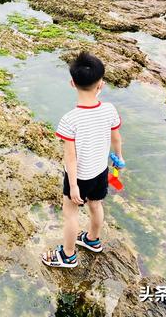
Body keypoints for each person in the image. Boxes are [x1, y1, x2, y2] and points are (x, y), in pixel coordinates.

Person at [41, 52, 123, 269]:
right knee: (96, 205)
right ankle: (93, 240)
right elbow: (116, 137)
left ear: (72, 83)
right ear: (101, 84)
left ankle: (68, 255)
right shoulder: (109, 110)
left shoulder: (70, 120)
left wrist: (74, 185)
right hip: (100, 171)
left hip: (81, 176)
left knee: (70, 213)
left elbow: (71, 156)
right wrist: (119, 158)